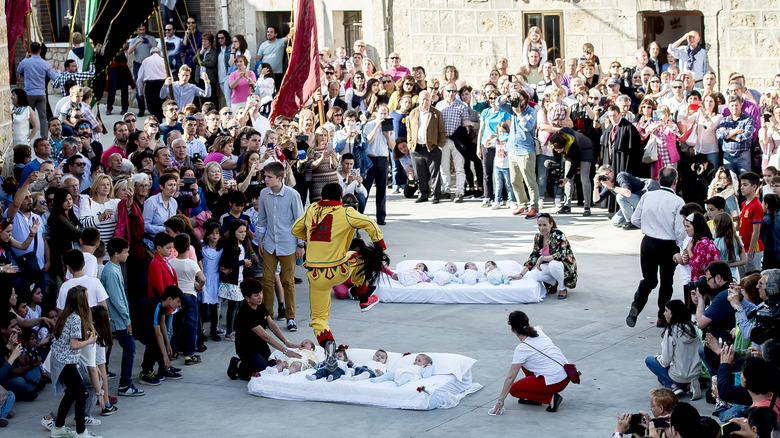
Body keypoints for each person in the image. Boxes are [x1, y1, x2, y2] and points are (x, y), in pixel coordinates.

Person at [291, 183, 386, 347]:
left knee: (318, 317)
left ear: (322, 197)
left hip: (315, 274)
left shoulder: (312, 209)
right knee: (358, 255)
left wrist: (310, 238)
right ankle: (363, 298)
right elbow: (370, 224)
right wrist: (381, 247)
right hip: (338, 270)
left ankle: (328, 345)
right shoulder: (346, 211)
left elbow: (295, 229)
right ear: (340, 198)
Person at [627, 167, 686, 328]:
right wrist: (682, 248)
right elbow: (680, 230)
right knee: (666, 282)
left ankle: (636, 306)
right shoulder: (677, 201)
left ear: (659, 180)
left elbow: (635, 219)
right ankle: (662, 316)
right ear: (675, 182)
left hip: (648, 242)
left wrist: (649, 226)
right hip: (668, 245)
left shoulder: (647, 196)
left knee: (649, 279)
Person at [491, 310, 571, 415]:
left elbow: (511, 378)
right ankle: (536, 397)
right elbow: (540, 326)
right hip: (566, 375)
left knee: (515, 390)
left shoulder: (522, 349)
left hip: (556, 382)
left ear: (512, 329)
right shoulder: (538, 331)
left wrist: (500, 401)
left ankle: (550, 399)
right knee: (524, 363)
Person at [255, 162, 304, 333]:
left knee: (288, 282)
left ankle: (290, 317)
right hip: (269, 243)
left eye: (268, 177)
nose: (265, 179)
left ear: (279, 178)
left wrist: (300, 244)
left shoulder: (292, 195)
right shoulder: (264, 193)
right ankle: (267, 316)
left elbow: (300, 221)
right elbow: (261, 219)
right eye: (265, 176)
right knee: (267, 281)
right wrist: (260, 238)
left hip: (288, 244)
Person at [226, 279, 301, 380]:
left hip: (261, 346)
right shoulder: (245, 313)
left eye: (261, 293)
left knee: (273, 367)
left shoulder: (259, 304)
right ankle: (237, 364)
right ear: (247, 298)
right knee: (262, 372)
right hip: (247, 349)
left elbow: (271, 324)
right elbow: (265, 336)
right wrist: (285, 350)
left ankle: (255, 363)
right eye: (256, 295)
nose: (260, 297)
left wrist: (286, 342)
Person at [48, 286, 98, 438]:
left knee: (71, 393)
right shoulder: (76, 318)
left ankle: (58, 428)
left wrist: (85, 336)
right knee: (82, 393)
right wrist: (90, 341)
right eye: (87, 297)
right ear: (81, 300)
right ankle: (81, 432)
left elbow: (70, 339)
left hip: (60, 360)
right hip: (65, 362)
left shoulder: (67, 315)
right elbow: (73, 345)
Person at [100, 238, 144, 397]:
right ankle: (125, 384)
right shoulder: (111, 272)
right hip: (118, 320)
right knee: (130, 347)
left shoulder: (115, 268)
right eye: (125, 252)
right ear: (116, 253)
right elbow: (117, 300)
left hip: (119, 319)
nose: (128, 254)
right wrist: (127, 320)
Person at [645, 299, 702, 398]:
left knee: (650, 360)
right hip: (695, 374)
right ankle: (688, 385)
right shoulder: (692, 328)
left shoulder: (671, 331)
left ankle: (672, 386)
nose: (664, 314)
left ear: (673, 313)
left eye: (666, 311)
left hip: (678, 375)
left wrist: (658, 357)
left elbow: (665, 361)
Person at [511, 214, 577, 299]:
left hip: (563, 265)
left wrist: (543, 258)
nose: (542, 228)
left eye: (545, 225)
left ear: (551, 224)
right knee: (533, 275)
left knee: (553, 264)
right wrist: (520, 274)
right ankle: (553, 283)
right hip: (548, 265)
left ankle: (562, 288)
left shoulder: (558, 234)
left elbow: (562, 254)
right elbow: (533, 257)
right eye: (539, 225)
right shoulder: (538, 237)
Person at [497, 90, 540, 218]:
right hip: (512, 150)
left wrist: (519, 114)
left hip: (526, 151)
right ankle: (522, 204)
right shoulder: (512, 108)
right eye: (516, 100)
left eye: (520, 100)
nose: (517, 103)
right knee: (515, 180)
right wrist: (508, 96)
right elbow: (498, 103)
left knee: (530, 181)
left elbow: (528, 126)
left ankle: (534, 207)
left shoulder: (531, 112)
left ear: (526, 100)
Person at [132, 285, 184, 386]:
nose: (179, 304)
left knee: (159, 342)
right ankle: (146, 372)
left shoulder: (163, 305)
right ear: (170, 299)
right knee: (153, 341)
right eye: (178, 301)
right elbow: (157, 333)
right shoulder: (156, 306)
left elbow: (162, 324)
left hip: (143, 323)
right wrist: (165, 356)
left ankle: (161, 368)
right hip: (134, 323)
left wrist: (168, 344)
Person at [17, 42, 61, 138]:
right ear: (40, 50)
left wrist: (25, 58)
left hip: (29, 93)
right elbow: (54, 77)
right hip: (41, 93)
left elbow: (19, 71)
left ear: (30, 50)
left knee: (27, 116)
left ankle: (25, 135)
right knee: (43, 117)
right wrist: (59, 70)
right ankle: (44, 137)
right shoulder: (45, 64)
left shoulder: (25, 62)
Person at [549, 129, 596, 217]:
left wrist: (567, 177)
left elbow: (575, 163)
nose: (557, 151)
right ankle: (567, 205)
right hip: (571, 152)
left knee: (584, 178)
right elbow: (557, 154)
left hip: (585, 149)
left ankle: (587, 206)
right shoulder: (554, 140)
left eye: (559, 150)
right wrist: (563, 174)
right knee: (566, 179)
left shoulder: (572, 144)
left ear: (563, 147)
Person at [362, 104, 395, 224]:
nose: (383, 116)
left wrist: (387, 136)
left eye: (385, 113)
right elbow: (368, 140)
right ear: (376, 114)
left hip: (383, 159)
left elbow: (392, 146)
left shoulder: (389, 126)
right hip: (371, 159)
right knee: (365, 188)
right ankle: (360, 215)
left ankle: (381, 217)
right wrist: (377, 126)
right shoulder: (370, 125)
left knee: (382, 189)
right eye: (381, 113)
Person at [738, 172, 764, 276]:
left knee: (752, 280)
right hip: (743, 248)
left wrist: (750, 251)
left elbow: (756, 231)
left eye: (745, 185)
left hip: (753, 250)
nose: (742, 187)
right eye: (741, 185)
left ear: (754, 187)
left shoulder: (756, 206)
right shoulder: (744, 203)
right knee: (743, 280)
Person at [256, 26, 287, 92]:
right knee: (266, 92)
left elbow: (288, 37)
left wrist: (293, 29)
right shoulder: (263, 45)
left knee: (279, 92)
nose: (269, 33)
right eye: (268, 32)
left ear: (275, 34)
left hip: (277, 74)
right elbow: (258, 59)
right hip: (266, 73)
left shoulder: (280, 42)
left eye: (271, 32)